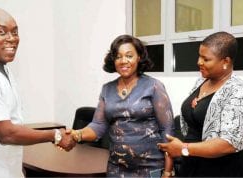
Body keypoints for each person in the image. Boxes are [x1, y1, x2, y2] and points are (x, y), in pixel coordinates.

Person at [0, 8, 75, 178]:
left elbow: (12, 121)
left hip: (3, 168)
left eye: (15, 32)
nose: (11, 39)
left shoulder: (2, 69)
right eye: (2, 32)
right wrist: (54, 135)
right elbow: (7, 134)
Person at [68, 34, 175, 177]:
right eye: (118, 57)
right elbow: (98, 126)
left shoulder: (154, 86)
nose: (123, 61)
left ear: (139, 57)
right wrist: (77, 134)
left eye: (129, 56)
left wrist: (168, 171)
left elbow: (167, 130)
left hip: (150, 168)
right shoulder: (107, 89)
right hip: (116, 168)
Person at [158, 31, 243, 177]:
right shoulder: (201, 82)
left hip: (223, 170)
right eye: (199, 56)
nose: (199, 62)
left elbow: (229, 144)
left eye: (206, 59)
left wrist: (184, 148)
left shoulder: (237, 92)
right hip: (193, 166)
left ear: (225, 62)